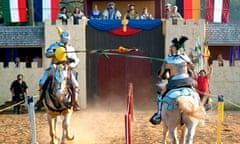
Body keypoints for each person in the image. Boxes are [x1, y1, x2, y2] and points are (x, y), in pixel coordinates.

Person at [150, 36, 196, 125]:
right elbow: (193, 68)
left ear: (172, 49)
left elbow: (160, 75)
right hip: (188, 81)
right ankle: (201, 109)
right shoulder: (185, 57)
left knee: (161, 95)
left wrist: (164, 71)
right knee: (195, 94)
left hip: (175, 82)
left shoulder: (168, 60)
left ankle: (159, 115)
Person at [35, 27, 81, 111]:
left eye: (67, 39)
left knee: (76, 85)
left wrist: (71, 66)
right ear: (61, 38)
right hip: (54, 67)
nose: (65, 41)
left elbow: (76, 61)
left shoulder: (71, 48)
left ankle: (75, 103)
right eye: (64, 39)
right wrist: (55, 52)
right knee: (42, 83)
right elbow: (47, 54)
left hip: (66, 69)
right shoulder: (54, 45)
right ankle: (40, 101)